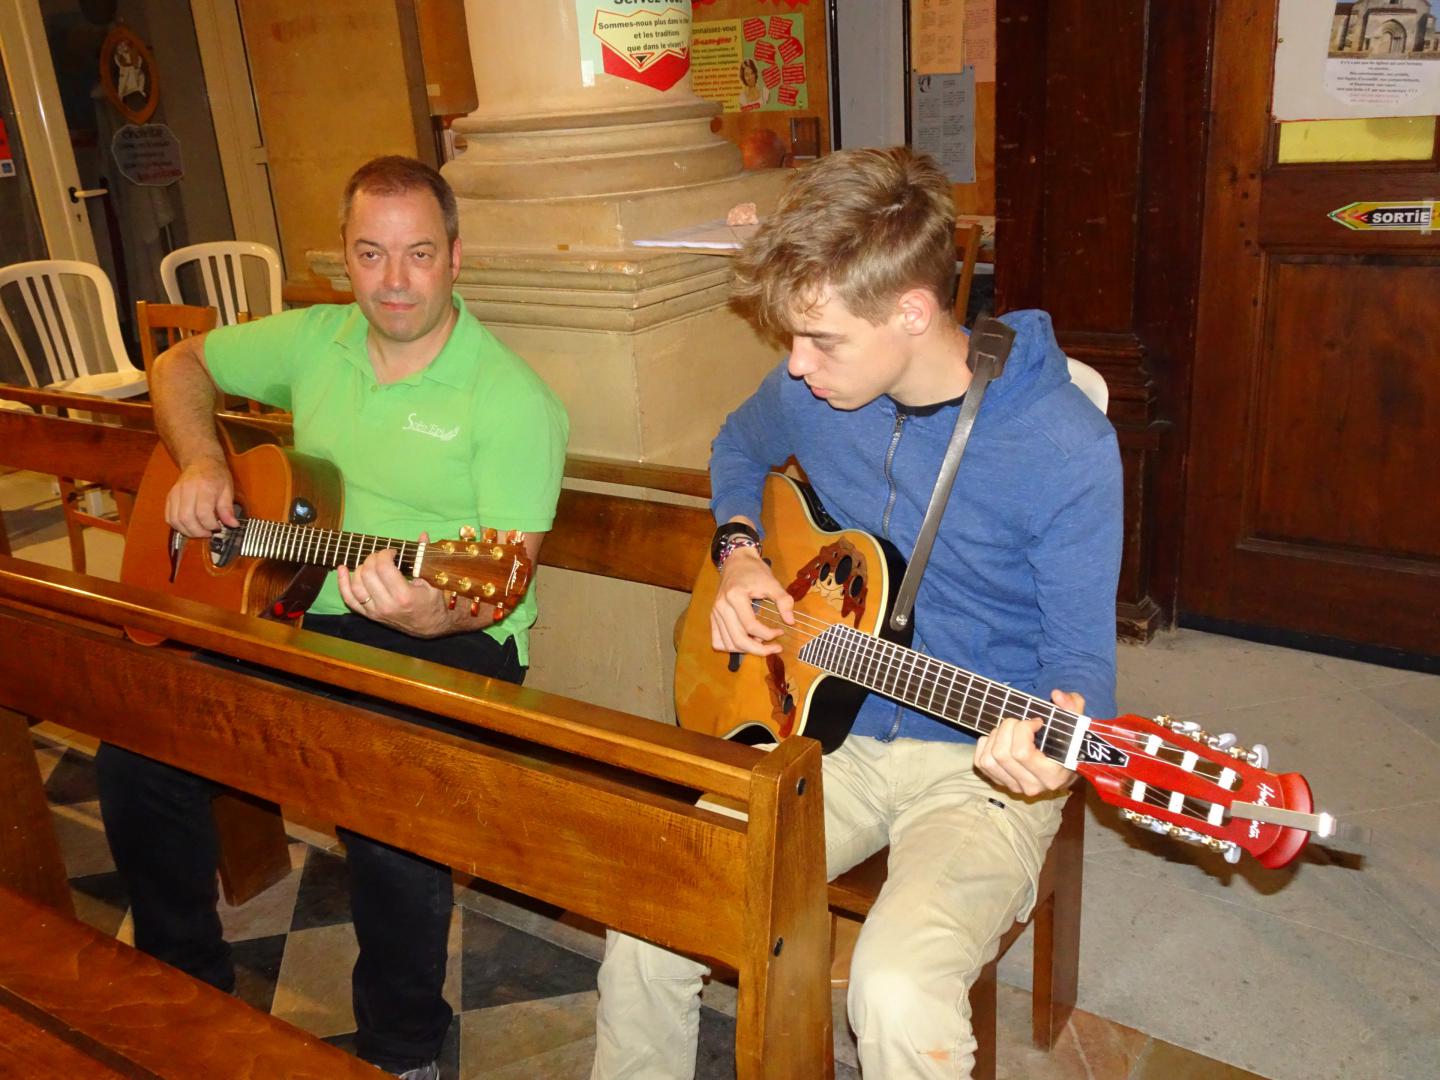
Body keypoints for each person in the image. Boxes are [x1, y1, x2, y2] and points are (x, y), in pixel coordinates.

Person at [590, 147, 1120, 1078]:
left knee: (896, 990)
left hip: (977, 766)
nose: (796, 368)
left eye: (822, 340)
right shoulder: (816, 391)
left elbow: (1084, 673)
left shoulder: (1061, 446)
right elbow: (740, 443)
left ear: (912, 311)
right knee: (650, 911)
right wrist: (740, 553)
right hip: (822, 735)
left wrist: (1054, 741)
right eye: (792, 338)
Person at [96, 155, 568, 1079]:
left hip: (455, 628)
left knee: (384, 796)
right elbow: (179, 364)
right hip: (294, 599)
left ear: (456, 257)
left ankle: (401, 1047)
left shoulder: (512, 400)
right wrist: (204, 463)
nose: (394, 281)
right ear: (343, 256)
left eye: (419, 254)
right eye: (370, 254)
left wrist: (426, 615)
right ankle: (185, 990)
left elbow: (503, 583)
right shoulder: (319, 338)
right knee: (137, 747)